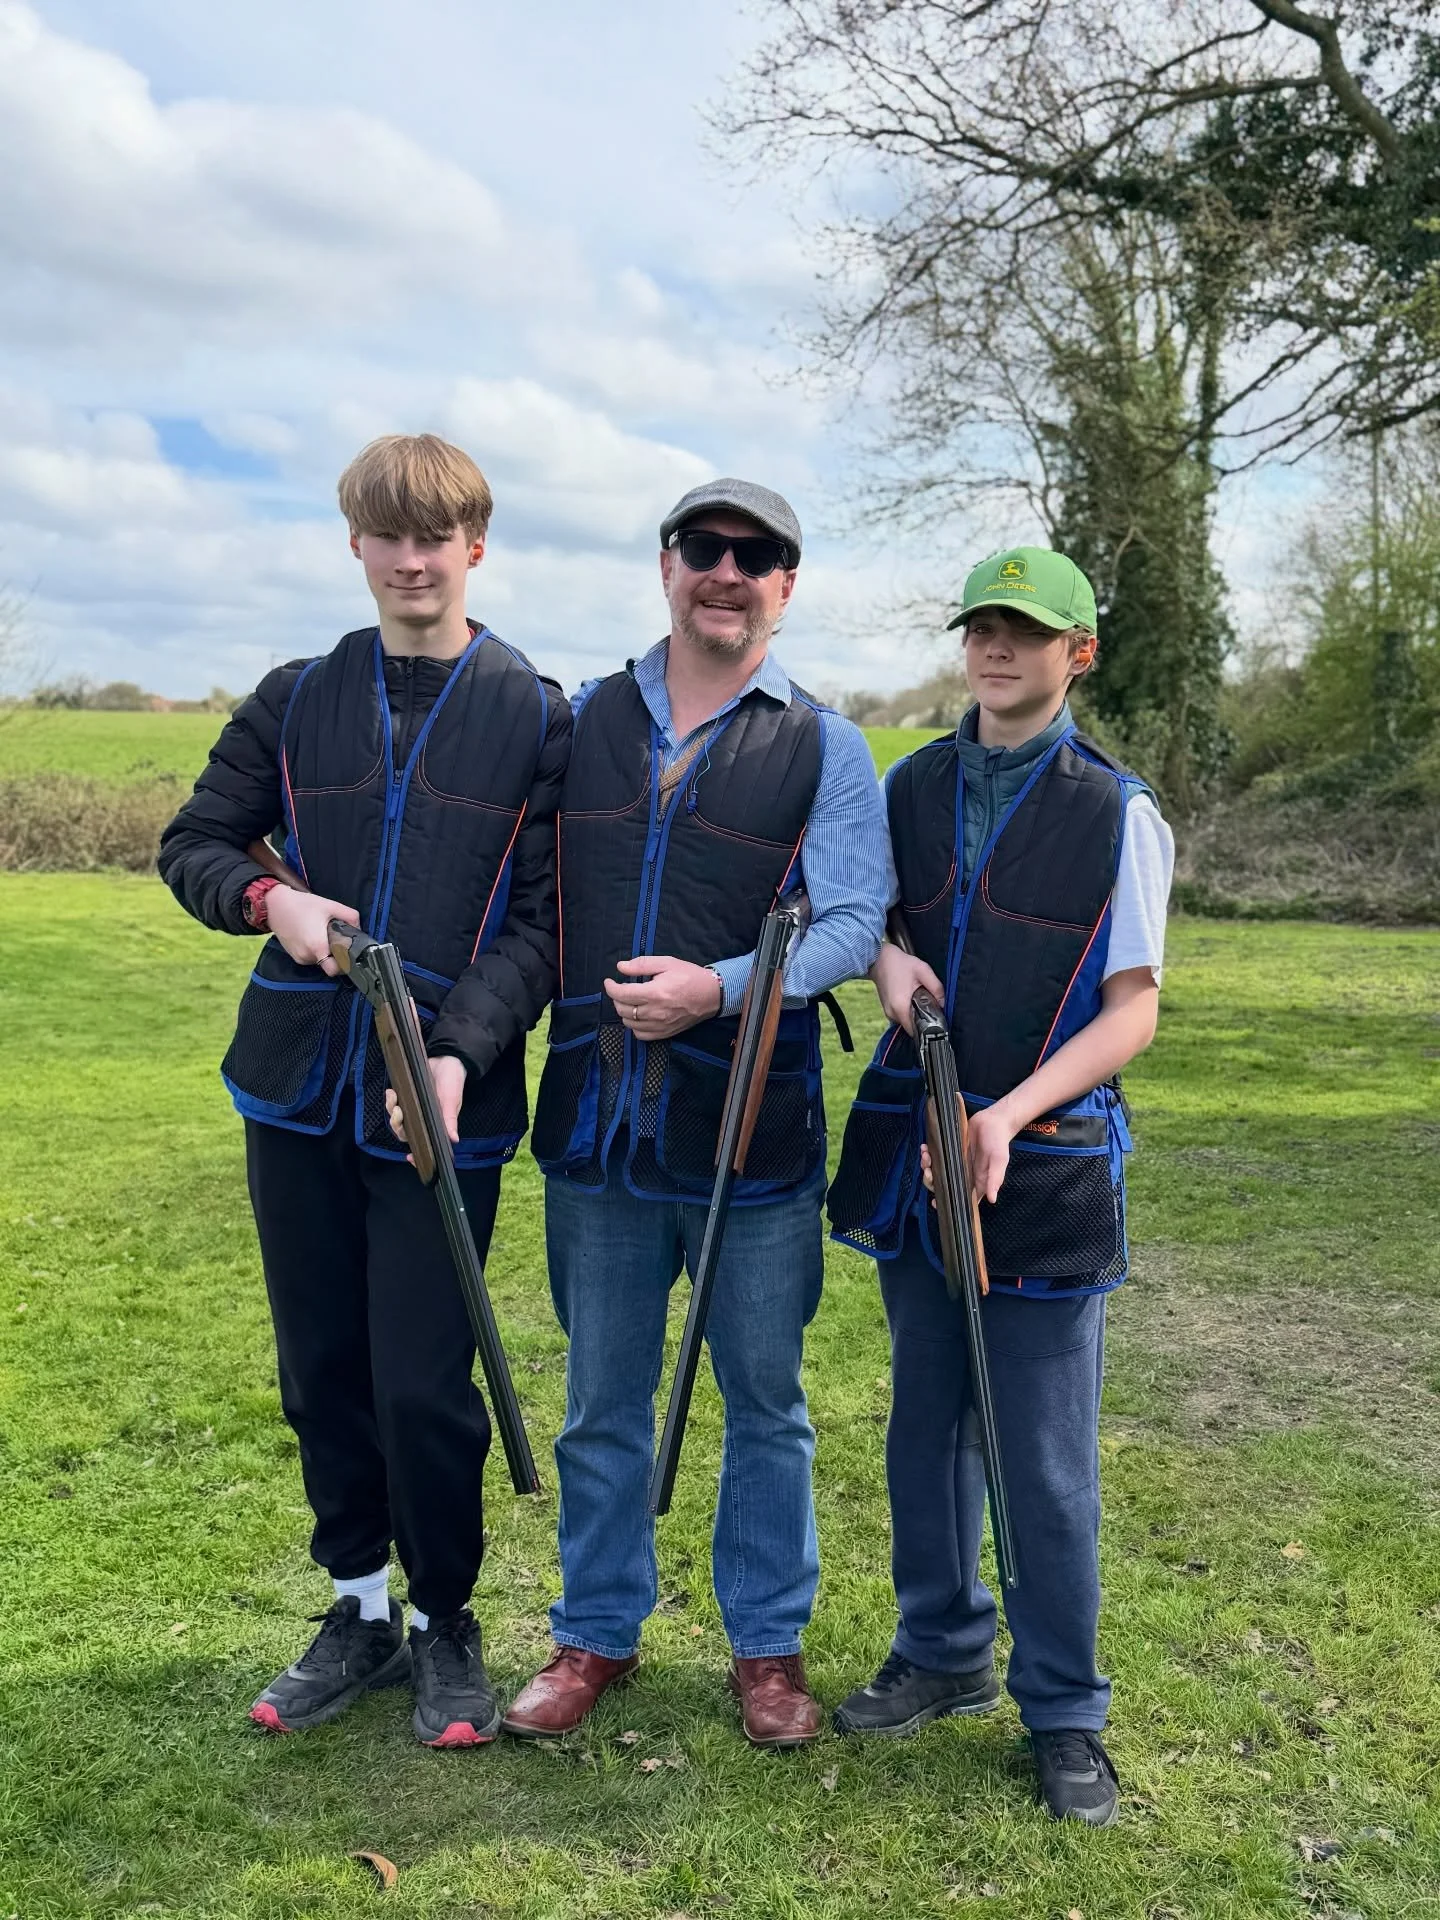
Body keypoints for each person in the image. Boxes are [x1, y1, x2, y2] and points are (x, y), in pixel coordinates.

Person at [157, 433, 571, 1747]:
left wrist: (455, 1052)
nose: (410, 558)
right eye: (386, 536)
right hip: (294, 1085)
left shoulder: (534, 712)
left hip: (446, 1101)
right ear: (356, 547)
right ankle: (360, 1610)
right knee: (321, 1367)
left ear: (474, 548)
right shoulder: (297, 695)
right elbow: (195, 846)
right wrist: (272, 900)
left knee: (422, 1382)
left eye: (433, 536)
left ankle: (447, 1621)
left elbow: (547, 924)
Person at [499, 478, 889, 1748]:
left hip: (750, 1132)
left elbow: (847, 922)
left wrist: (718, 989)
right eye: (705, 549)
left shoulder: (827, 746)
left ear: (787, 584)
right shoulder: (581, 722)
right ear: (667, 565)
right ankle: (593, 1632)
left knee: (765, 1400)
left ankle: (766, 1647)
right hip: (595, 1126)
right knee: (600, 1399)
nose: (728, 572)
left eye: (757, 555)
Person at [826, 546, 1174, 1826]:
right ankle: (942, 1648)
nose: (997, 649)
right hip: (921, 1151)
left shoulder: (1118, 810)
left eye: (1027, 633)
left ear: (1077, 654)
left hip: (1049, 1161)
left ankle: (1067, 1709)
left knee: (1042, 1456)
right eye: (983, 625)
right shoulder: (908, 784)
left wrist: (1011, 1114)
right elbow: (876, 923)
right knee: (927, 1425)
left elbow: (1132, 1011)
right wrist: (884, 966)